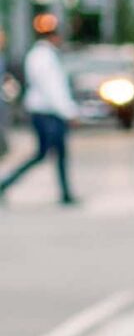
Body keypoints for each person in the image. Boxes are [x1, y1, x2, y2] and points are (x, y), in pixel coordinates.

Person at [0, 16, 80, 208]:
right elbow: (53, 88)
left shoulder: (41, 55)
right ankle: (4, 184)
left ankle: (66, 193)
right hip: (48, 113)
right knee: (44, 154)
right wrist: (68, 112)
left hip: (45, 111)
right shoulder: (45, 57)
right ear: (53, 37)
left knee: (56, 153)